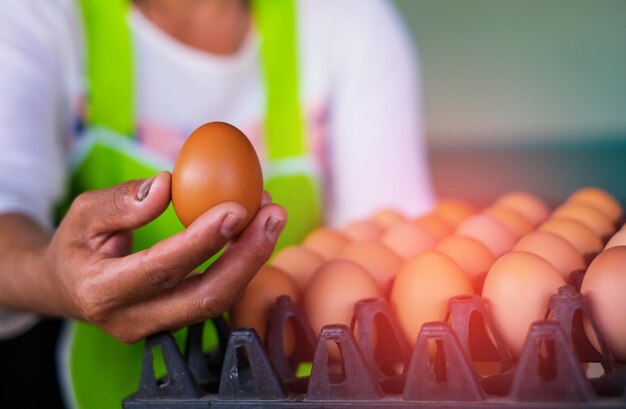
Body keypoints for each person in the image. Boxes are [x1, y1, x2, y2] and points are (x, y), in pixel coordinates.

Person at [0, 0, 434, 407]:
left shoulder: (346, 22)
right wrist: (53, 275)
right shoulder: (43, 15)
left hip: (314, 392)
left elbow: (390, 251)